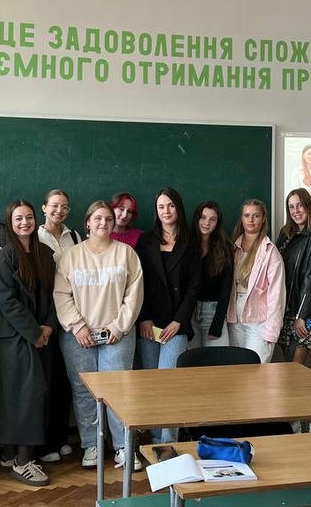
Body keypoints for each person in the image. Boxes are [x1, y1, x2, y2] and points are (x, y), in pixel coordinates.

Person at [54, 201, 144, 470]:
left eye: (107, 219)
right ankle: (91, 445)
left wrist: (119, 326)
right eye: (97, 218)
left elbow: (134, 294)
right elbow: (61, 294)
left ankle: (123, 447)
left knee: (118, 392)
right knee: (84, 391)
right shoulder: (71, 255)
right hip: (79, 336)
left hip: (117, 335)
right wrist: (77, 326)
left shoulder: (126, 254)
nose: (103, 223)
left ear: (113, 224)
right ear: (88, 223)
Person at [0, 200, 58, 487]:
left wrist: (48, 327)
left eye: (29, 217)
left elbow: (57, 293)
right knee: (21, 395)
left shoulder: (46, 253)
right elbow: (7, 300)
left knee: (35, 394)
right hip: (15, 337)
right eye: (18, 218)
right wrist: (34, 332)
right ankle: (21, 461)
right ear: (10, 222)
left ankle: (15, 454)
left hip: (43, 334)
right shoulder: (5, 256)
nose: (24, 223)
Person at [136, 187, 201, 442]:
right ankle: (155, 439)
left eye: (171, 205)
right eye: (161, 206)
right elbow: (137, 283)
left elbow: (194, 288)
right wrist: (144, 318)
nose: (166, 211)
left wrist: (178, 321)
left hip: (177, 325)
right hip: (149, 323)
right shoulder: (145, 241)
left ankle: (168, 443)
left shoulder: (191, 243)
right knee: (152, 385)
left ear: (179, 208)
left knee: (169, 385)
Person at [36, 188, 79, 463]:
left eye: (64, 207)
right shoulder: (34, 234)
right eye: (54, 205)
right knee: (47, 379)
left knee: (65, 379)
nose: (58, 211)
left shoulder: (74, 236)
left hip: (71, 311)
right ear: (44, 208)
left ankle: (61, 437)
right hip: (46, 311)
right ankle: (45, 442)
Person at [227, 199, 286, 362]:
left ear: (263, 219)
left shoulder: (270, 252)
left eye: (256, 216)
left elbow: (277, 296)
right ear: (241, 219)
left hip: (260, 321)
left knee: (257, 369)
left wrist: (271, 331)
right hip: (235, 317)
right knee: (237, 367)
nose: (251, 220)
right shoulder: (233, 248)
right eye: (247, 215)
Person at [275, 189, 311, 364]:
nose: (296, 211)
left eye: (300, 205)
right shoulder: (285, 235)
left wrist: (301, 316)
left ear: (308, 206)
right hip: (284, 312)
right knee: (288, 367)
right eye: (291, 207)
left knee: (295, 369)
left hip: (303, 314)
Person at [189, 201, 233, 349]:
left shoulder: (225, 248)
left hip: (213, 312)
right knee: (192, 360)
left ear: (217, 223)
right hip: (189, 313)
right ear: (197, 219)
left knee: (218, 360)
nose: (207, 223)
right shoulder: (186, 245)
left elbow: (226, 288)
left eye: (212, 219)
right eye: (203, 217)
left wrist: (217, 325)